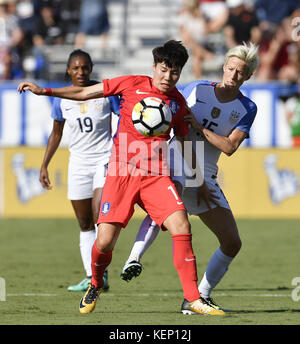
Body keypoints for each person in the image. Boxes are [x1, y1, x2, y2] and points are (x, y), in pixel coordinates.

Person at [18, 40, 225, 316]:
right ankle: (95, 283)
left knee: (182, 225)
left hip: (156, 177)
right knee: (104, 242)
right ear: (154, 67)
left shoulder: (177, 102)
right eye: (164, 70)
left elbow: (186, 142)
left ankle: (193, 298)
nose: (168, 77)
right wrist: (44, 91)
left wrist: (197, 181)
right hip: (121, 174)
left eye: (175, 72)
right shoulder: (130, 83)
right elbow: (85, 93)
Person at [121, 42, 259, 311]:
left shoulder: (248, 108)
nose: (233, 75)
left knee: (232, 242)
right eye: (230, 68)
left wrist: (199, 129)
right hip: (177, 159)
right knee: (166, 203)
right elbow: (167, 113)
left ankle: (198, 296)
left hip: (206, 174)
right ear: (224, 67)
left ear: (248, 76)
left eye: (240, 72)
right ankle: (134, 258)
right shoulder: (197, 89)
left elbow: (229, 147)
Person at [39, 49, 120, 292]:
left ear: (91, 68)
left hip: (104, 159)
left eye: (85, 67)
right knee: (84, 223)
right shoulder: (61, 99)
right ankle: (92, 277)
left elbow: (122, 120)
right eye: (75, 68)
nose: (81, 72)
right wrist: (44, 165)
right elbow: (56, 133)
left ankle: (101, 272)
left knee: (99, 215)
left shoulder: (105, 92)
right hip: (78, 163)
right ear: (68, 70)